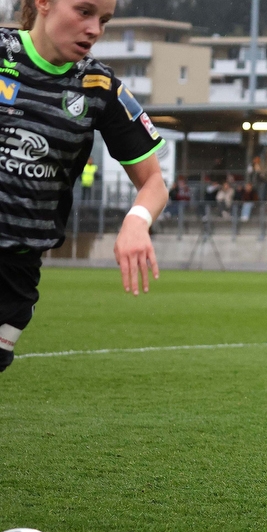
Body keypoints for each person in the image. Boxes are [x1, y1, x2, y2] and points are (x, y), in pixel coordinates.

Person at [0, 0, 167, 373]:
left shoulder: (99, 87)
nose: (95, 29)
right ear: (43, 3)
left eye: (104, 19)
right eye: (84, 11)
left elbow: (154, 181)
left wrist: (137, 221)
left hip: (16, 273)